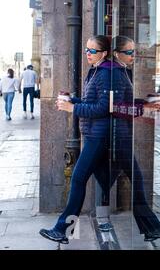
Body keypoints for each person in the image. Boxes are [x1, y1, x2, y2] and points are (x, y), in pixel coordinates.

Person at [99, 35, 160, 241]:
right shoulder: (115, 73)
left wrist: (145, 102)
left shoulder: (121, 71)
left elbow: (123, 101)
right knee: (135, 180)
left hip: (117, 135)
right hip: (118, 136)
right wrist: (144, 107)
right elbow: (115, 107)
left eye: (134, 52)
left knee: (104, 180)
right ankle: (150, 228)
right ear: (116, 53)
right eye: (129, 52)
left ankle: (77, 220)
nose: (133, 55)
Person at [39, 35, 114, 244]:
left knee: (78, 179)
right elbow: (91, 102)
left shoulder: (106, 74)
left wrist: (72, 108)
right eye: (87, 50)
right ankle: (144, 216)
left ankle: (62, 229)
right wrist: (73, 100)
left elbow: (103, 108)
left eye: (93, 51)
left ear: (104, 53)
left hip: (98, 136)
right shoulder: (96, 71)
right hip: (92, 133)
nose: (88, 54)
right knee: (108, 179)